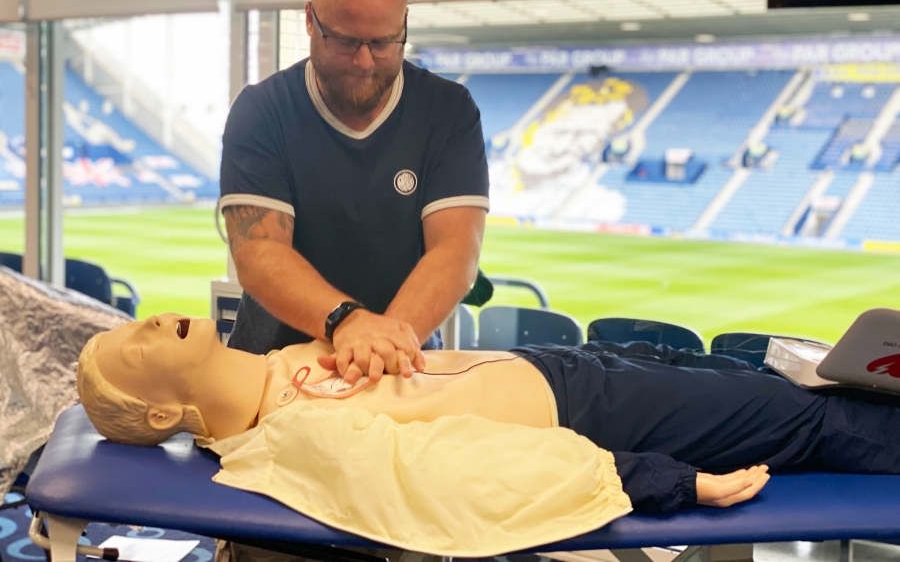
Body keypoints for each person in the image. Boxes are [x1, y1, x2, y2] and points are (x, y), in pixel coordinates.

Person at [78, 314, 900, 517]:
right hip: (590, 414)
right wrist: (673, 483)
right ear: (162, 408)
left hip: (562, 364)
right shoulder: (287, 442)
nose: (147, 323)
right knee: (805, 418)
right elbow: (474, 477)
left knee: (801, 378)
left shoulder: (285, 362)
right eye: (135, 346)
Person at [219, 0, 489, 385]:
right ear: (309, 20)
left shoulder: (449, 111)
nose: (364, 62)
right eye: (344, 41)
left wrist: (380, 348)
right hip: (272, 367)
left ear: (404, 24)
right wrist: (348, 323)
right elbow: (259, 252)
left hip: (401, 365)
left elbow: (456, 251)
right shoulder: (261, 111)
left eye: (383, 42)